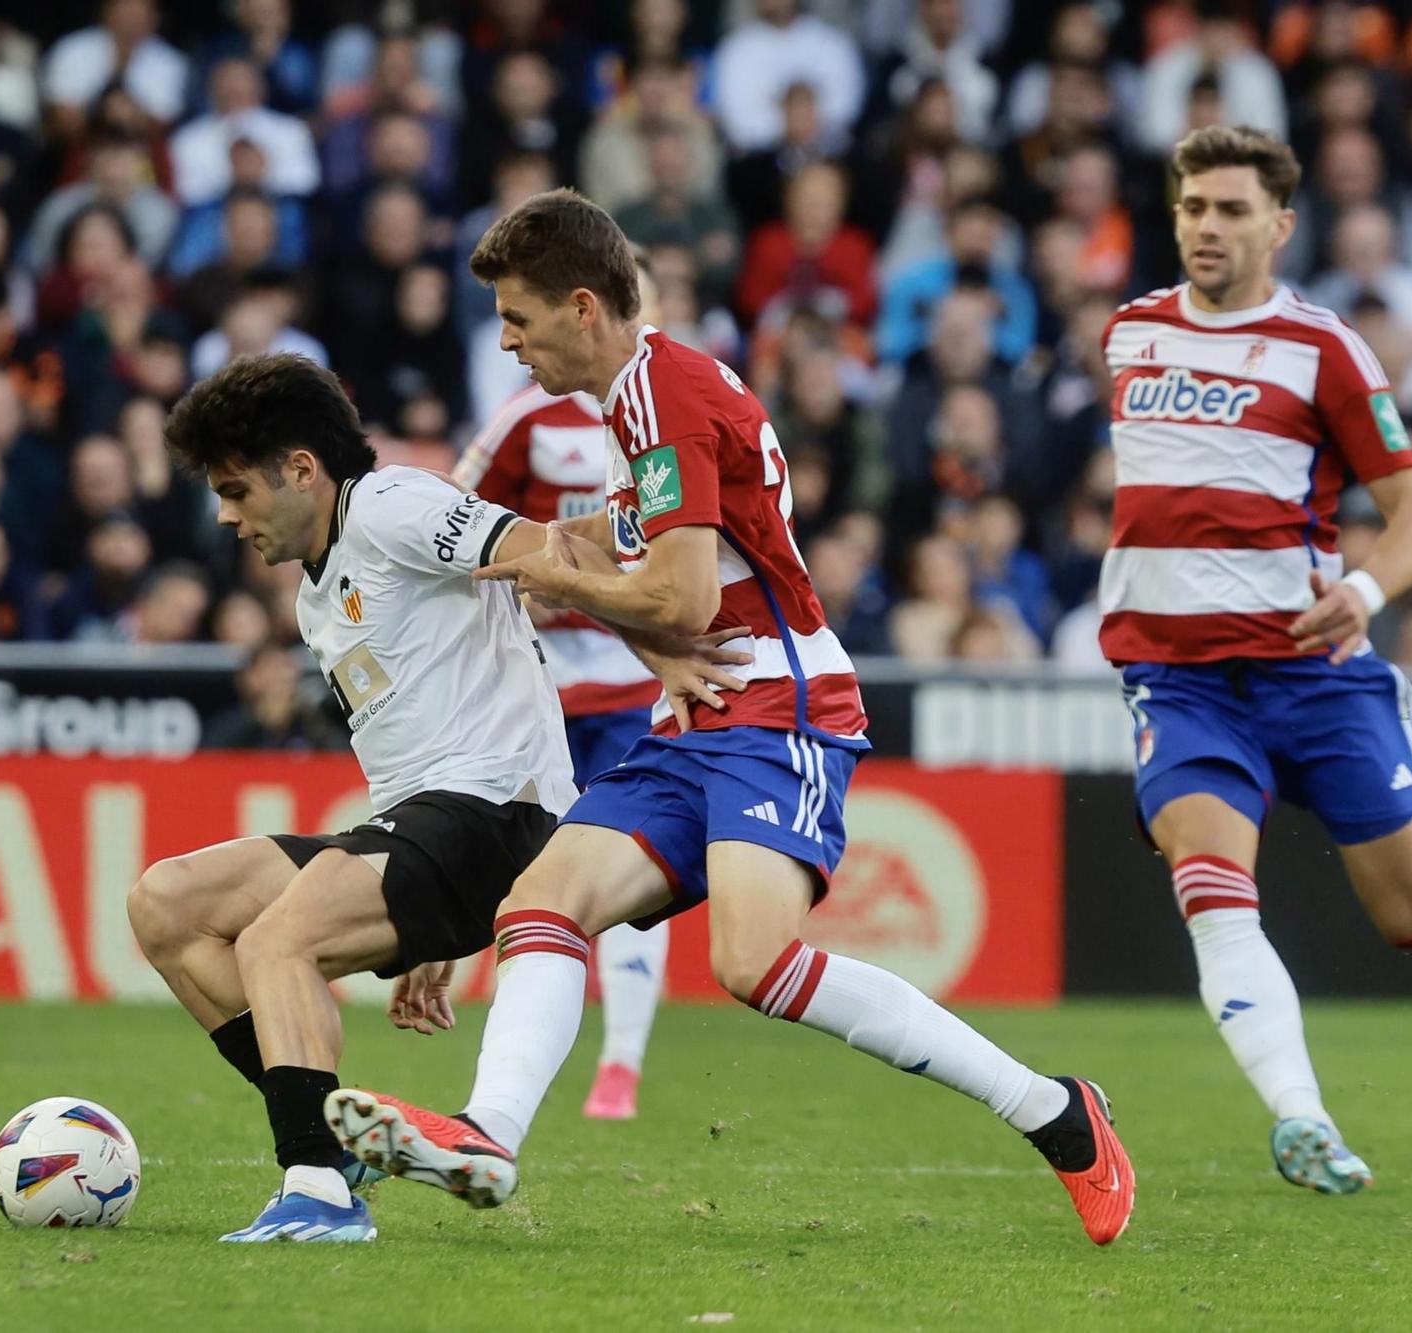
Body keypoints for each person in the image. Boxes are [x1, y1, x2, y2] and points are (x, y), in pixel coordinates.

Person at [324, 189, 1135, 1247]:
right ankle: (486, 1132)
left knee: (752, 963)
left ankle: (1054, 1111)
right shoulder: (636, 398)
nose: (508, 341)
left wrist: (556, 581)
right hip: (696, 713)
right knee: (542, 900)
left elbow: (682, 600)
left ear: (581, 307)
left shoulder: (660, 395)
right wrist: (555, 559)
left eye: (517, 317)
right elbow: (631, 561)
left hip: (778, 703)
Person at [131, 353, 742, 1244]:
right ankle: (326, 1140)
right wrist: (410, 913)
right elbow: (402, 747)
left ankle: (317, 1187)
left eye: (236, 490)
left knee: (277, 939)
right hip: (423, 821)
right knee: (167, 904)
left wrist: (655, 650)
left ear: (302, 469)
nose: (227, 517)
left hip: (501, 812)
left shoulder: (393, 506)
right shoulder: (315, 590)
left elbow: (547, 551)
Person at [1099, 126, 1412, 1195]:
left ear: (1278, 226)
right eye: (1192, 205)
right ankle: (1302, 1119)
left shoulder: (1324, 350)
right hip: (1180, 682)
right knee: (1210, 888)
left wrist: (1366, 591)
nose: (1205, 226)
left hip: (1309, 672)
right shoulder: (1129, 334)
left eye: (1230, 210)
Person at [450, 260, 672, 1123]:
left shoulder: (665, 411)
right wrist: (521, 581)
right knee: (527, 876)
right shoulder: (528, 419)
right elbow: (458, 520)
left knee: (627, 883)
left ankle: (621, 1063)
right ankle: (513, 1072)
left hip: (632, 683)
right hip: (542, 688)